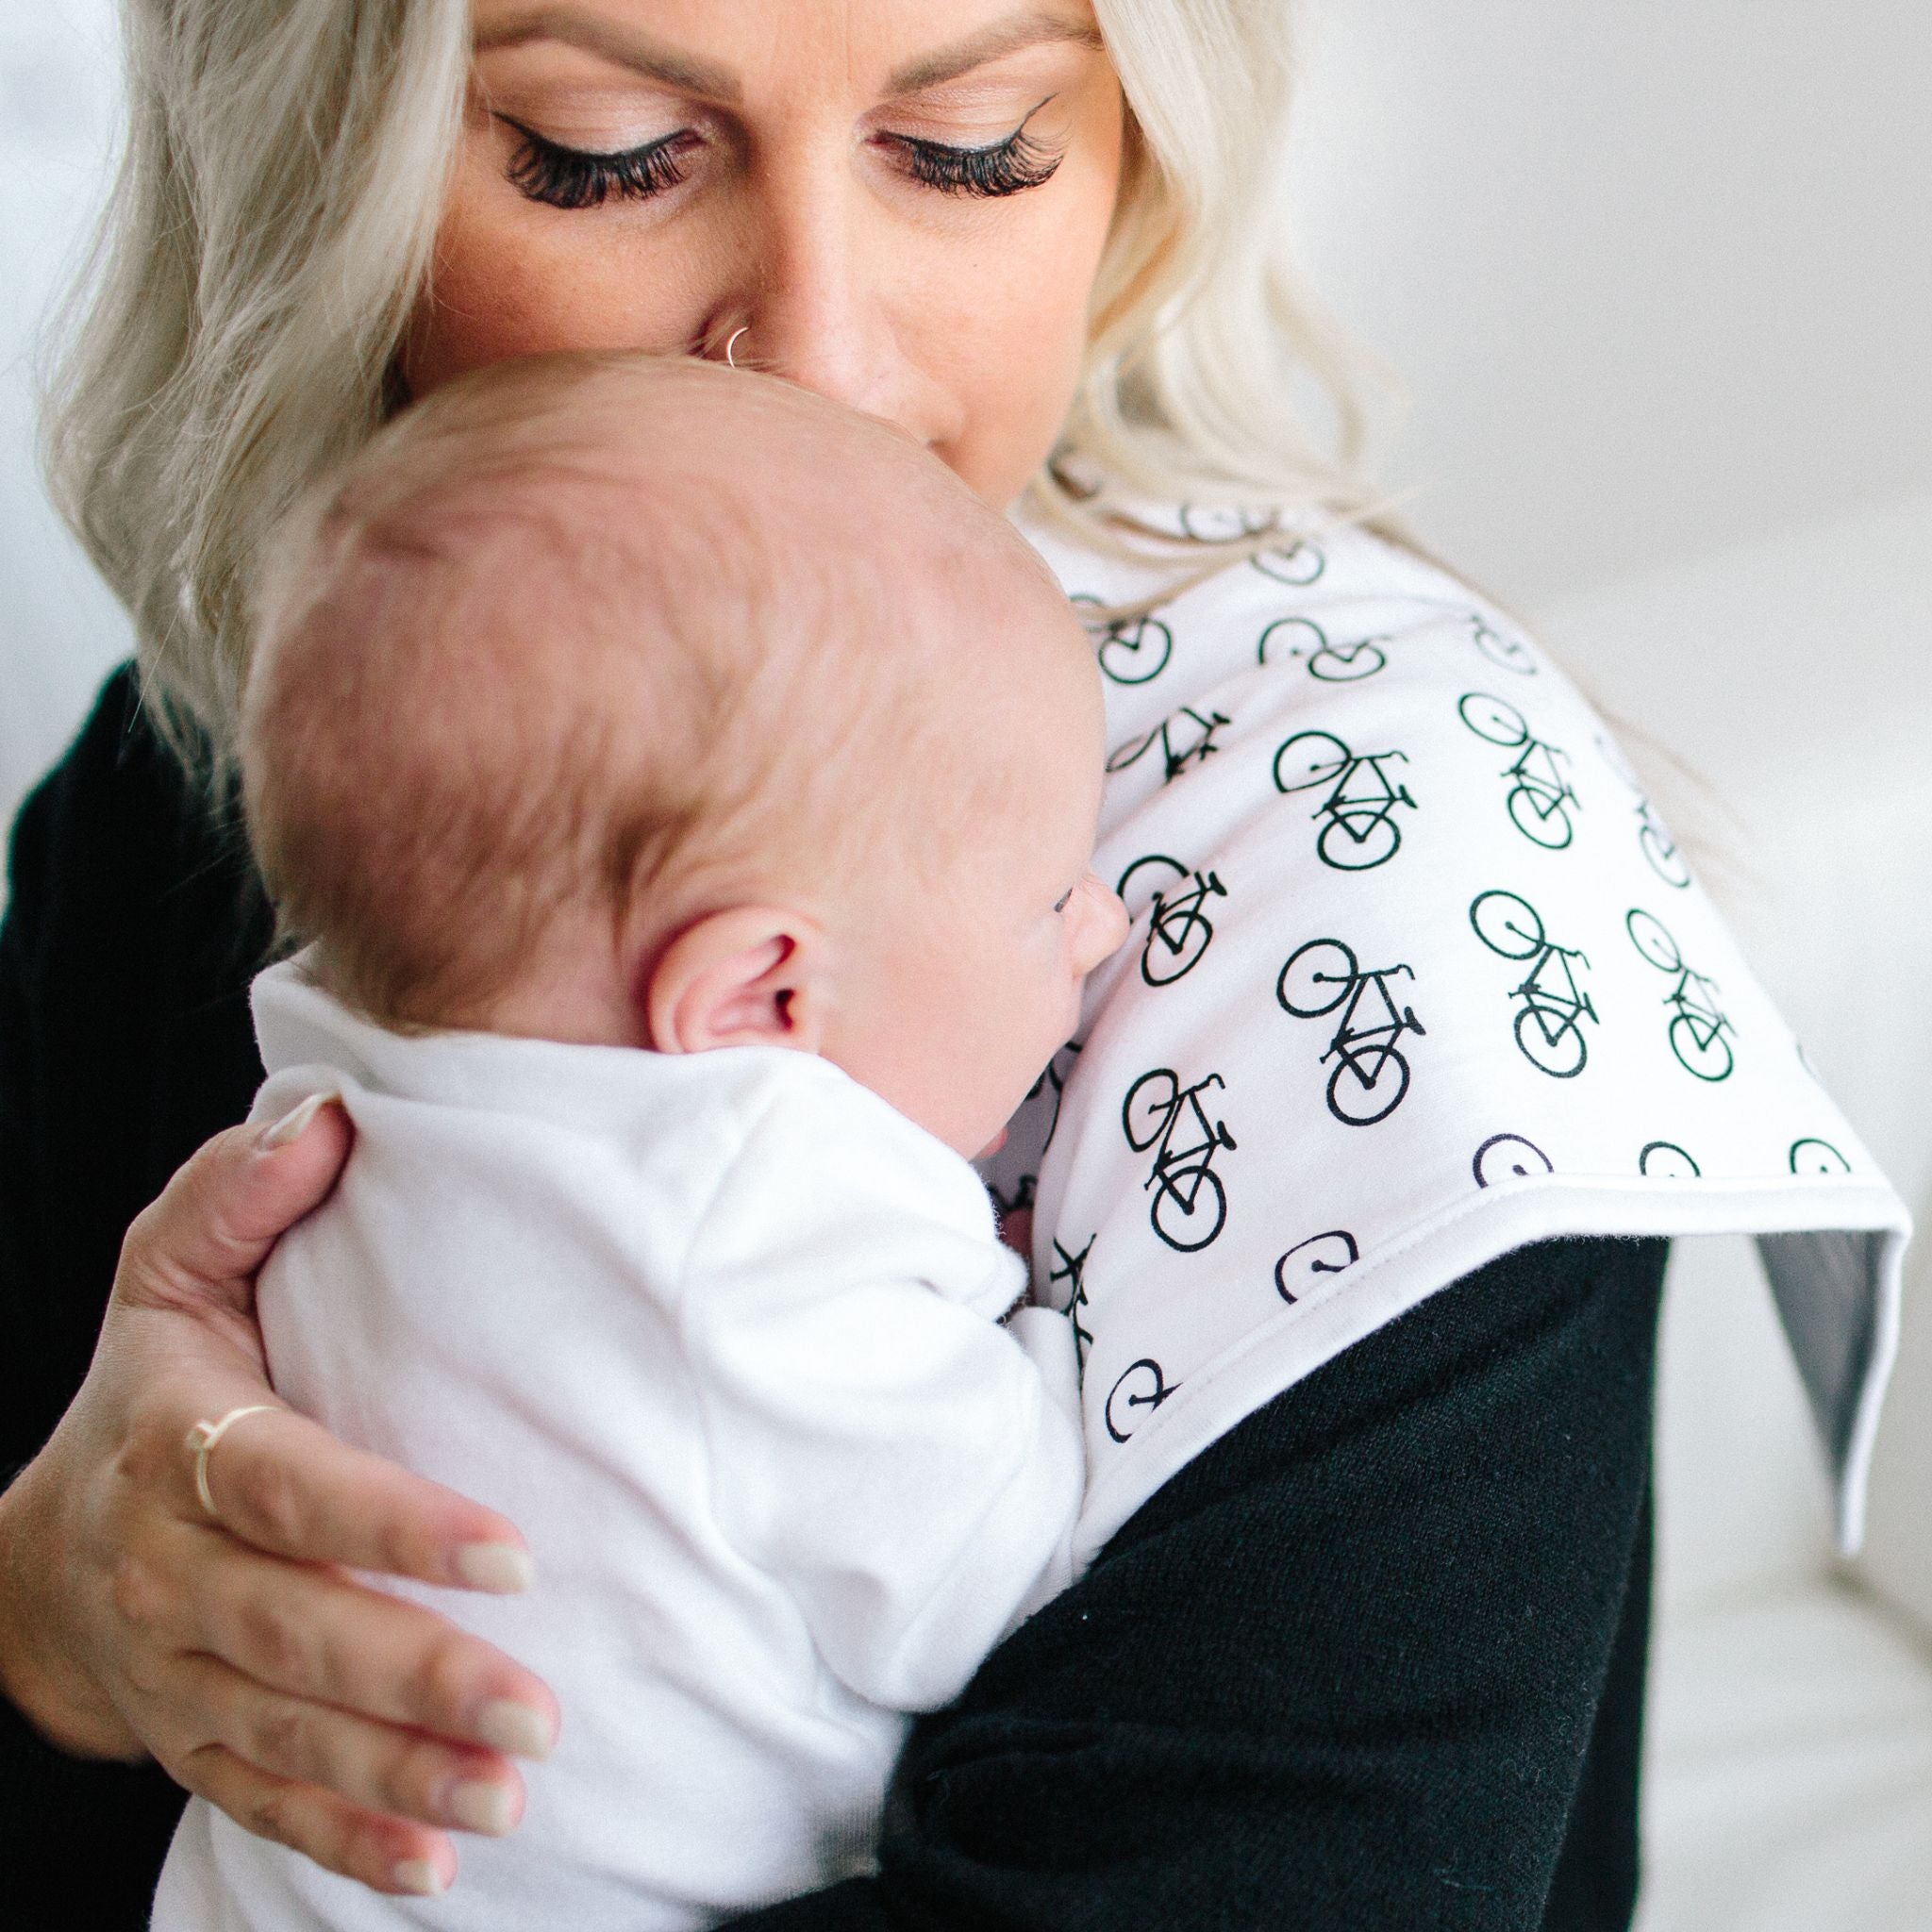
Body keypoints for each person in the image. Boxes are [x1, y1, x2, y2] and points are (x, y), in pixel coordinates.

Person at [0, 5, 1907, 1929]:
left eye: (973, 148)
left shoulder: (1399, 895)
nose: (820, 359)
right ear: (319, 165)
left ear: (1136, 157)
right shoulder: (223, 765)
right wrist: (52, 1621)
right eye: (602, 156)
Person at [156, 350, 1125, 1928]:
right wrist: (1019, 1334)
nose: (1102, 925)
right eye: (1048, 900)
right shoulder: (745, 1228)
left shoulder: (335, 1094)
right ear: (761, 993)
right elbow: (989, 1582)